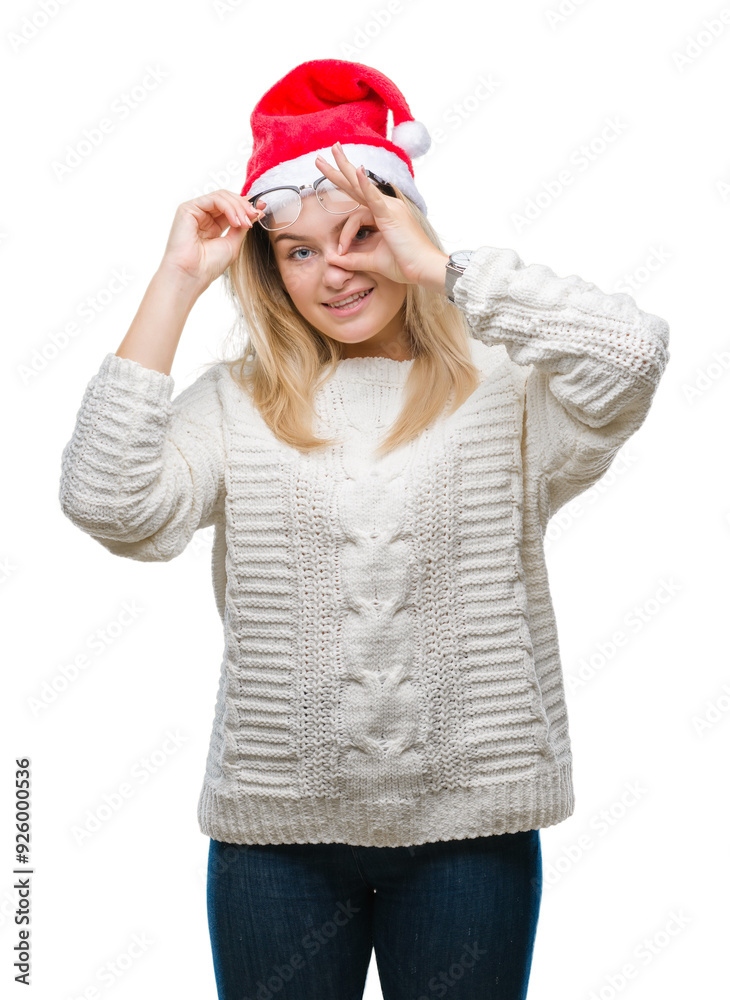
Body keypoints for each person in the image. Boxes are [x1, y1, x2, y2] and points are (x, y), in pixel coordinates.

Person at [58, 58, 670, 1000]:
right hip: (276, 843)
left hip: (470, 836)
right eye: (299, 249)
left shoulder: (504, 388)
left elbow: (630, 353)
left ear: (406, 226)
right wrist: (178, 281)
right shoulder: (237, 401)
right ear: (271, 267)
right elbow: (110, 502)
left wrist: (442, 267)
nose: (335, 271)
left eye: (362, 234)